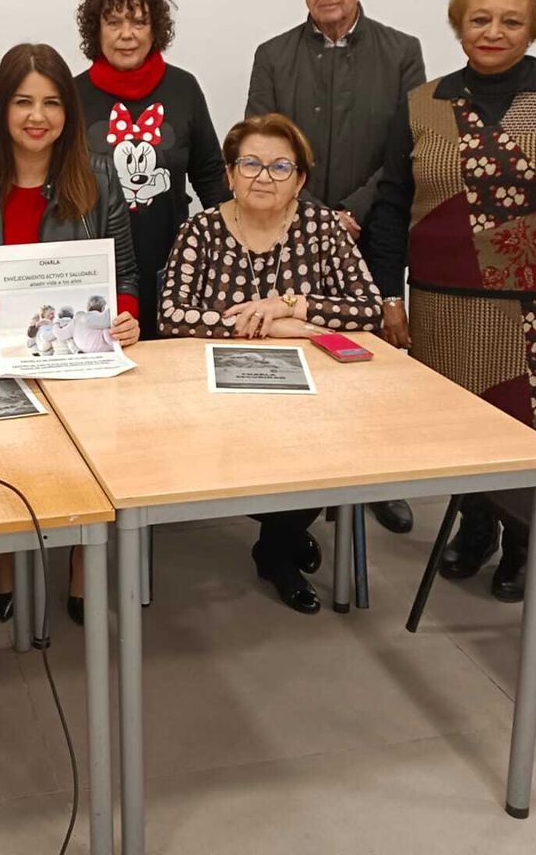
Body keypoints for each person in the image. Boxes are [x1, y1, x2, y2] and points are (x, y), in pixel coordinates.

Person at [364, 0, 536, 601]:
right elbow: (392, 206)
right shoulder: (423, 103)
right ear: (459, 25)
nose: (493, 32)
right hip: (442, 306)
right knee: (461, 434)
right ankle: (475, 527)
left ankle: (523, 543)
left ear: (533, 28)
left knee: (528, 435)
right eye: (480, 19)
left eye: (511, 20)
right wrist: (389, 296)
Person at [0, 42, 141, 624]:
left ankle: (81, 566)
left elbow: (125, 275)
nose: (37, 116)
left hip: (80, 361)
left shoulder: (98, 176)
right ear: (1, 108)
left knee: (88, 466)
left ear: (68, 111)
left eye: (51, 103)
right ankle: (4, 563)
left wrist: (125, 316)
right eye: (22, 102)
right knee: (3, 469)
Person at [160, 114, 383, 613]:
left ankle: (275, 548)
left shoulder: (322, 228)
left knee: (325, 450)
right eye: (251, 164)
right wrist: (268, 328)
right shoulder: (200, 230)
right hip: (218, 392)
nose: (264, 177)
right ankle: (284, 535)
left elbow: (368, 308)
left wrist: (291, 307)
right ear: (230, 174)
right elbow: (172, 314)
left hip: (314, 393)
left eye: (281, 167)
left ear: (300, 180)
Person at [245, 0, 426, 536]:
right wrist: (317, 216)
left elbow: (406, 149)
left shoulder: (401, 52)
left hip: (374, 228)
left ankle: (378, 478)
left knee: (370, 359)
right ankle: (297, 482)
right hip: (289, 233)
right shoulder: (273, 56)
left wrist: (352, 211)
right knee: (296, 356)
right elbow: (263, 146)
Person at [72, 0, 230, 339]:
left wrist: (232, 249)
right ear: (96, 30)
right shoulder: (72, 95)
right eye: (114, 22)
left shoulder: (184, 89)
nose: (127, 34)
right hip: (95, 271)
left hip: (171, 264)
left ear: (155, 28)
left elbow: (210, 177)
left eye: (139, 22)